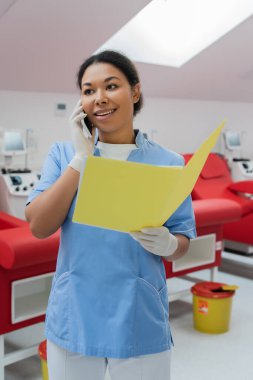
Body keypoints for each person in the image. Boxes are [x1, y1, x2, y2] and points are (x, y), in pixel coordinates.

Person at [26, 50, 196, 380]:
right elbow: (38, 225)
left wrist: (167, 244)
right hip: (75, 313)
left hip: (139, 313)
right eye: (88, 90)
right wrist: (81, 160)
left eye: (111, 86)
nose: (99, 98)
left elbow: (183, 240)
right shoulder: (63, 155)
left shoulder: (169, 162)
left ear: (135, 91)